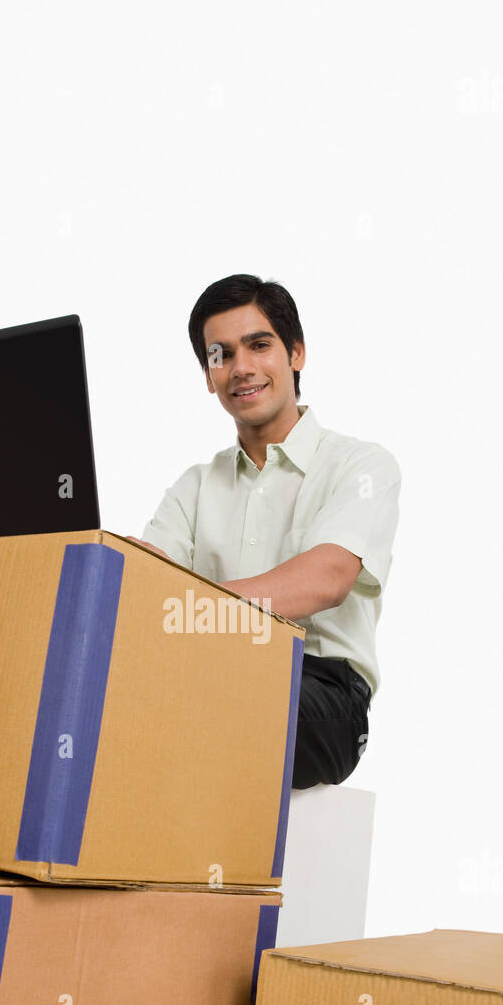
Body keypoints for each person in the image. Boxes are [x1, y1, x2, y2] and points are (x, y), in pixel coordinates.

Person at [129, 273, 400, 789]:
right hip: (203, 670)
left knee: (187, 694)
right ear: (208, 376)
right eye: (221, 354)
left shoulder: (360, 466)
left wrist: (186, 610)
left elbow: (327, 578)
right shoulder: (194, 487)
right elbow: (144, 586)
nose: (241, 368)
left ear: (296, 353)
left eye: (259, 345)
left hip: (319, 691)